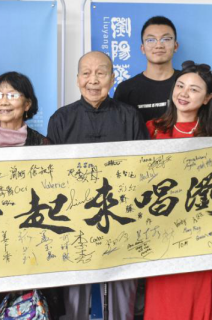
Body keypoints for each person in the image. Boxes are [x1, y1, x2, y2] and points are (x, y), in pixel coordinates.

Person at [47, 51, 148, 320]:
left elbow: (144, 169)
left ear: (112, 79)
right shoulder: (61, 119)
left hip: (121, 221)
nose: (93, 80)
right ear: (77, 79)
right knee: (73, 301)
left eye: (101, 73)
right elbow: (51, 176)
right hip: (74, 224)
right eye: (86, 73)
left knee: (122, 300)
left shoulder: (130, 116)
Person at [0, 71, 64, 319]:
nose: (3, 101)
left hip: (35, 247)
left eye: (12, 95)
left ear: (27, 104)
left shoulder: (44, 145)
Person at [142, 61, 212, 320]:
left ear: (207, 98)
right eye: (180, 86)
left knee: (196, 302)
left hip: (200, 236)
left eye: (194, 90)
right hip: (161, 236)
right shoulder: (152, 129)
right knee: (162, 305)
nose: (184, 94)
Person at [114, 16, 180, 122]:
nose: (159, 45)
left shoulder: (188, 84)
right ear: (143, 48)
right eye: (151, 40)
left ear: (175, 46)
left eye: (166, 39)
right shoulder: (126, 89)